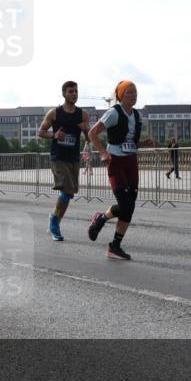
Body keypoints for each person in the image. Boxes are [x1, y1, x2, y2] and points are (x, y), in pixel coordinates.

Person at [87, 80, 153, 260]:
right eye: (129, 92)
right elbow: (92, 133)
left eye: (135, 92)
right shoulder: (113, 113)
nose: (134, 95)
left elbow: (129, 141)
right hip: (116, 162)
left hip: (131, 162)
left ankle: (115, 246)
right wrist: (102, 152)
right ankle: (100, 219)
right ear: (120, 95)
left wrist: (143, 144)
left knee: (129, 208)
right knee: (125, 204)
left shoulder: (137, 115)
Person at [38, 81, 90, 241]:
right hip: (58, 157)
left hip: (73, 158)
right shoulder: (54, 113)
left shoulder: (83, 114)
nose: (74, 94)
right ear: (64, 94)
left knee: (68, 194)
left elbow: (89, 138)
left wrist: (85, 129)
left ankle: (55, 220)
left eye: (76, 91)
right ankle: (54, 221)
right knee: (67, 190)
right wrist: (54, 135)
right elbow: (41, 132)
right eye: (71, 91)